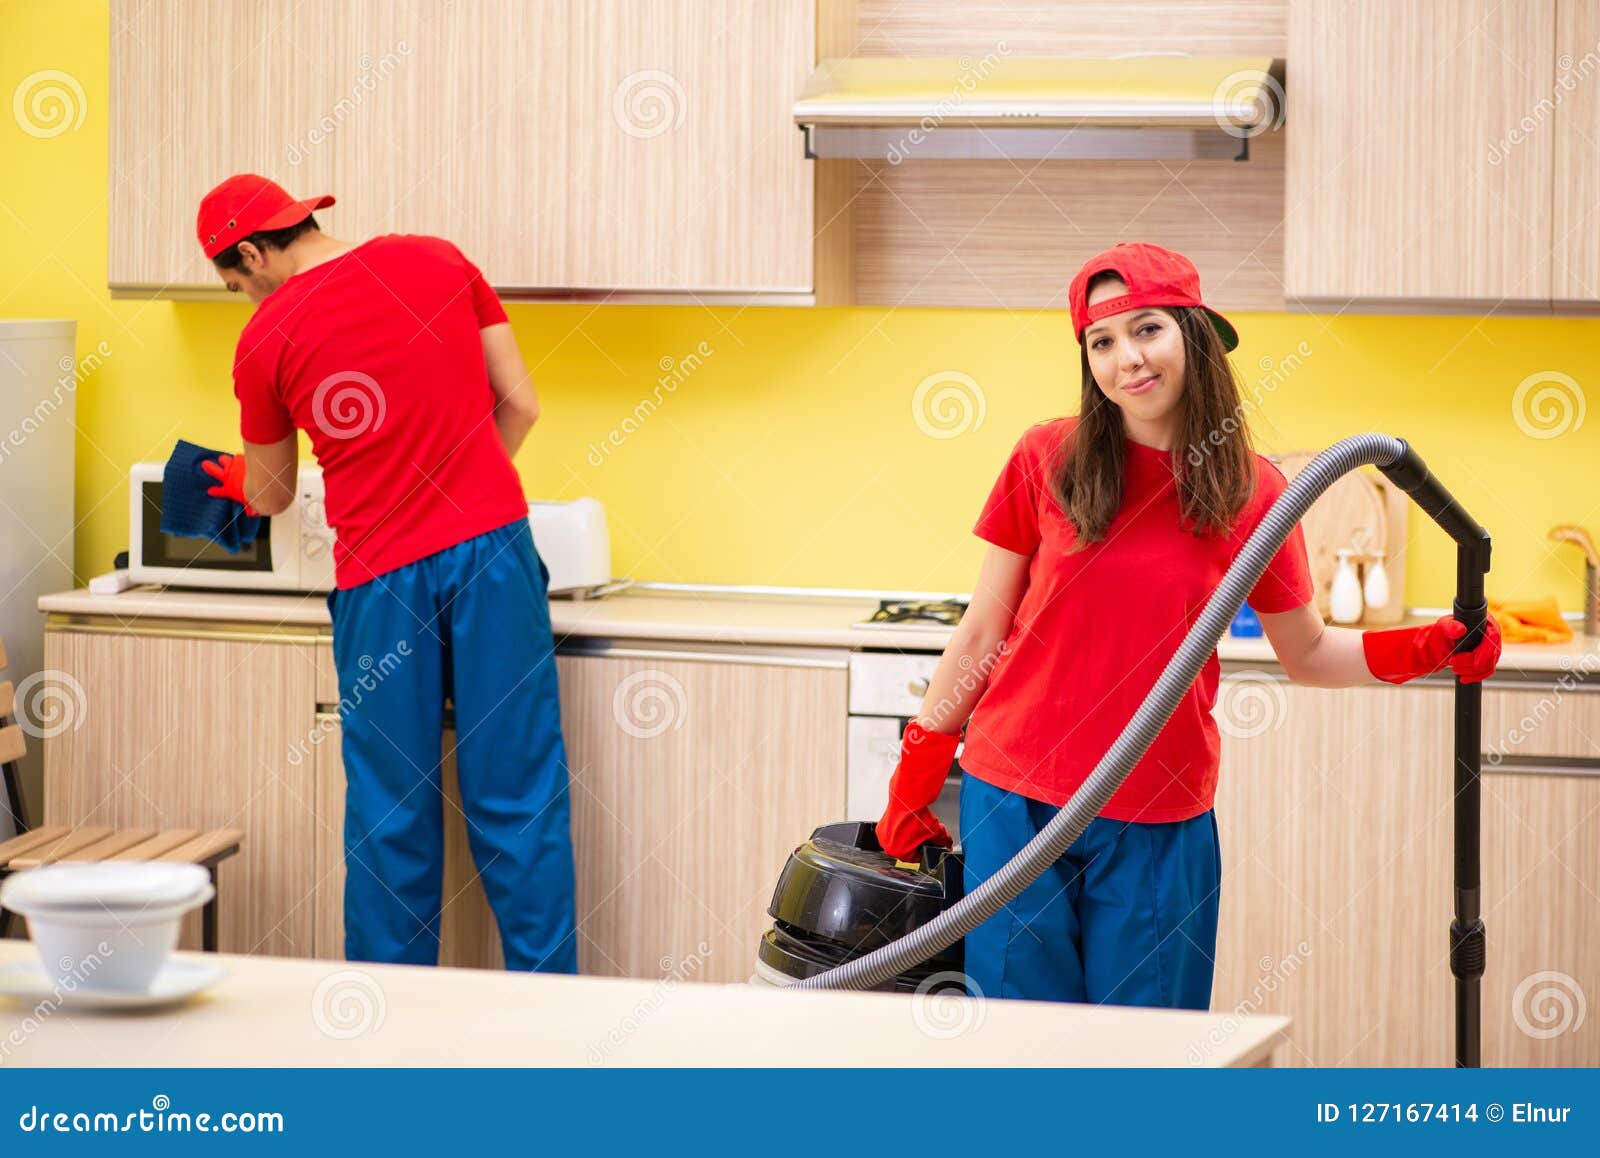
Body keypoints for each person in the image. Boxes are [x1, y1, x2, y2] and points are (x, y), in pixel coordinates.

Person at [876, 241, 1502, 1008]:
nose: (1126, 360)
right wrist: (918, 768)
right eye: (1101, 342)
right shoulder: (1047, 457)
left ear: (1193, 334)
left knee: (1147, 1059)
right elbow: (981, 634)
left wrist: (1427, 647)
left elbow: (1304, 651)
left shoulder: (1255, 488)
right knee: (1021, 1051)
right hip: (1015, 799)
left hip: (1157, 815)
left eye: (1146, 330)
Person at [196, 173, 578, 972]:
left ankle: (386, 1032)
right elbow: (522, 405)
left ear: (256, 252)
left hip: (381, 581)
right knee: (520, 797)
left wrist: (232, 479)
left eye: (238, 283)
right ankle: (559, 1020)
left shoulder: (265, 340)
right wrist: (457, 493)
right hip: (496, 559)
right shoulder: (438, 260)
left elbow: (267, 494)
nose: (246, 298)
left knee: (390, 810)